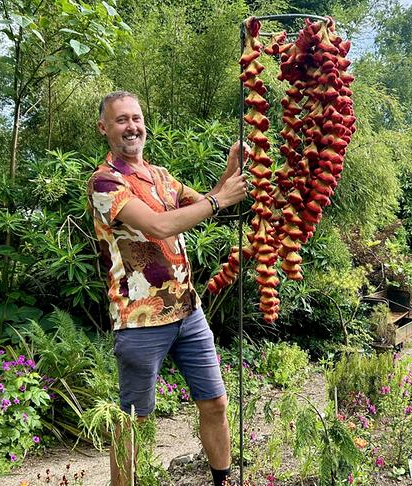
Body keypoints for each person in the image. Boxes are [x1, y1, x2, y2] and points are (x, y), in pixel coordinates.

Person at [87, 90, 248, 486]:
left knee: (215, 402)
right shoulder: (105, 182)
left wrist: (230, 171)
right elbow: (159, 226)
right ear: (104, 128)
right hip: (140, 320)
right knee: (134, 422)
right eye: (121, 119)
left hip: (188, 313)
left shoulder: (160, 176)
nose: (131, 127)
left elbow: (206, 204)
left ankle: (224, 481)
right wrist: (219, 199)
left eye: (136, 118)